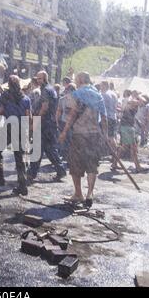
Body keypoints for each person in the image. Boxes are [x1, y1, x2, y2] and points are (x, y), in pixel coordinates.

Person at [59, 72, 107, 208]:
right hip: (94, 134)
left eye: (76, 79)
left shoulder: (76, 94)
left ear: (80, 80)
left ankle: (78, 193)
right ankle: (90, 194)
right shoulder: (98, 95)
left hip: (79, 134)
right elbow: (104, 117)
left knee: (76, 164)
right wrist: (106, 135)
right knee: (92, 165)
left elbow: (72, 115)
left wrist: (64, 132)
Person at [0, 75, 31, 196]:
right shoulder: (26, 98)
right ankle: (22, 186)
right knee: (19, 157)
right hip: (21, 128)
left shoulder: (5, 96)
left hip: (9, 127)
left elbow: (0, 111)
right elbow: (28, 116)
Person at [27, 71, 66, 183]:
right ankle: (61, 170)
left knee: (37, 149)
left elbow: (44, 107)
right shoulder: (52, 89)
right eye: (37, 78)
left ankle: (31, 174)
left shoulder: (45, 90)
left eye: (39, 79)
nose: (37, 81)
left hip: (44, 124)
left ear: (44, 79)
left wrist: (35, 121)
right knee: (49, 149)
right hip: (50, 124)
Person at [112, 96, 145, 173]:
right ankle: (138, 167)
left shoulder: (132, 105)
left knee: (124, 147)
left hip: (127, 127)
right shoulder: (131, 104)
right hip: (127, 128)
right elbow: (139, 101)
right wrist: (137, 96)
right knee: (133, 147)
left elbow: (142, 101)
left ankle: (114, 163)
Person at [56, 77, 76, 160]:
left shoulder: (62, 99)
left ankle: (65, 156)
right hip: (73, 123)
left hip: (64, 122)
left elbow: (58, 112)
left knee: (65, 140)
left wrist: (57, 122)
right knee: (72, 141)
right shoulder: (77, 100)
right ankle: (69, 157)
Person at [100, 81, 119, 164]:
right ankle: (114, 155)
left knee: (109, 137)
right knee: (112, 136)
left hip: (106, 117)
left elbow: (101, 107)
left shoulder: (104, 95)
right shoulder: (114, 94)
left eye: (101, 85)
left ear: (105, 86)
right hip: (113, 116)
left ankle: (115, 153)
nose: (100, 87)